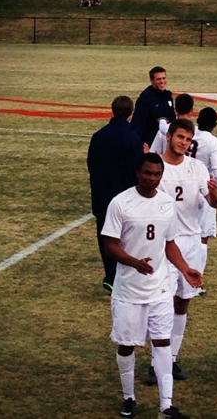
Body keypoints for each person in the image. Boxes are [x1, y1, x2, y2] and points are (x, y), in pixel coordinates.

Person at [102, 152, 201, 419]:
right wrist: (134, 262)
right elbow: (109, 245)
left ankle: (166, 407)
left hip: (159, 290)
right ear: (138, 172)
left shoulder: (167, 204)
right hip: (129, 291)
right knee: (126, 345)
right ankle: (128, 397)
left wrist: (185, 268)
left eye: (157, 174)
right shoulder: (120, 203)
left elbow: (169, 244)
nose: (153, 179)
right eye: (148, 173)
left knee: (162, 343)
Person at [144, 118, 217, 385]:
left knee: (182, 302)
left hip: (190, 242)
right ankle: (157, 363)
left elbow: (214, 202)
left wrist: (215, 195)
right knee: (161, 304)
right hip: (164, 244)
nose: (184, 143)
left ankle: (171, 359)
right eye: (180, 137)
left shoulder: (197, 168)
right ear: (169, 137)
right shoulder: (156, 168)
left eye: (188, 140)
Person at [87, 96, 144, 293]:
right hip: (124, 195)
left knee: (105, 234)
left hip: (102, 193)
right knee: (125, 237)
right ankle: (116, 276)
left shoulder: (98, 135)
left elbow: (91, 164)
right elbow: (137, 167)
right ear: (131, 112)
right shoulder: (132, 137)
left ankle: (110, 273)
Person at [131, 66, 176, 147]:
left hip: (167, 144)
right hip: (151, 144)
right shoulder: (144, 99)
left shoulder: (168, 96)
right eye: (158, 79)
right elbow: (138, 125)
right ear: (152, 81)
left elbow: (172, 119)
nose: (162, 81)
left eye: (164, 78)